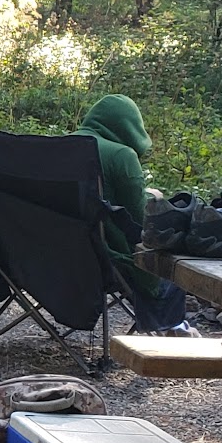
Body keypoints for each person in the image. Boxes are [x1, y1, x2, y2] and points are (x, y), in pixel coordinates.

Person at [76, 93, 188, 333]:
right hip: (107, 261)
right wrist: (154, 200)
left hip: (54, 258)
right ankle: (172, 328)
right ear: (130, 127)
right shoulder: (121, 156)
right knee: (174, 266)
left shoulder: (58, 147)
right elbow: (140, 223)